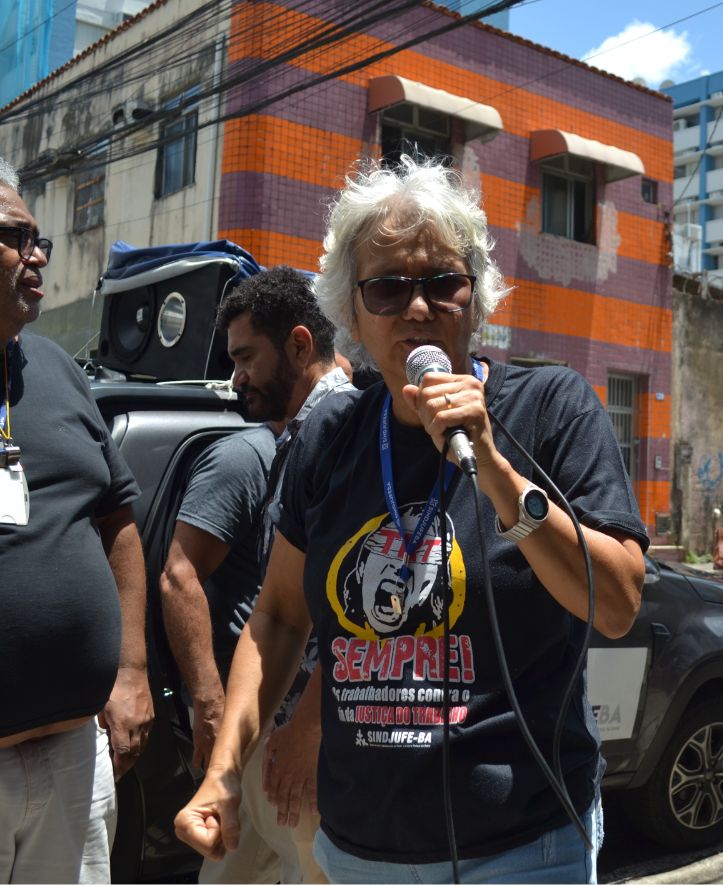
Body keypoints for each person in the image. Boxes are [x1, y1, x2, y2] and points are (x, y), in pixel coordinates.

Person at [174, 156, 648, 884]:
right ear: (352, 311)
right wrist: (226, 769)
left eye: (442, 283)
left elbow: (615, 605)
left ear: (476, 295)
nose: (418, 308)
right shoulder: (331, 437)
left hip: (522, 847)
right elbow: (277, 619)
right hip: (357, 849)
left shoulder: (549, 409)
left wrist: (492, 467)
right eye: (388, 289)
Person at [160, 266, 350, 884]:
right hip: (275, 727)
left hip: (318, 746)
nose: (235, 376)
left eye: (246, 357)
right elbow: (278, 613)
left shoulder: (341, 427)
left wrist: (310, 727)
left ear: (300, 345)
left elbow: (368, 610)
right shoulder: (296, 434)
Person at [0, 157, 154, 881]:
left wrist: (130, 668)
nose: (37, 257)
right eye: (14, 238)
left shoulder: (57, 369)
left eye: (41, 242)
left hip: (73, 757)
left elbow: (117, 524)